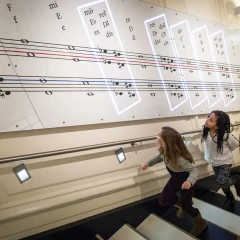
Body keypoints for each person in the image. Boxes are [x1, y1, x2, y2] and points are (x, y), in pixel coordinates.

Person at [140, 126, 207, 237]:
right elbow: (159, 158)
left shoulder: (179, 158)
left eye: (159, 134)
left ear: (166, 142)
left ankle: (201, 223)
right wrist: (148, 163)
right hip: (175, 180)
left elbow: (194, 170)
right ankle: (183, 203)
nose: (157, 135)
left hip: (186, 183)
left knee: (188, 208)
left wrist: (189, 182)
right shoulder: (165, 151)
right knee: (163, 200)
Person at [202, 110, 240, 210]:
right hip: (214, 162)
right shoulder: (205, 130)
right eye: (208, 117)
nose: (207, 121)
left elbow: (235, 144)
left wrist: (226, 151)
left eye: (211, 120)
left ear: (217, 126)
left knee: (222, 182)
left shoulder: (225, 135)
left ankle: (237, 179)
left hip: (225, 162)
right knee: (223, 184)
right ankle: (230, 198)